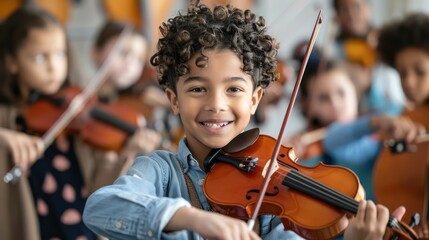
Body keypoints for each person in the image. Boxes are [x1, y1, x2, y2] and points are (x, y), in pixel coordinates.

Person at [83, 3, 410, 239]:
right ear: (173, 100)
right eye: (197, 88)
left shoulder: (270, 193)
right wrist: (195, 219)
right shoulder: (161, 171)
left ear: (254, 100)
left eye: (234, 89)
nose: (216, 104)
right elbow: (101, 206)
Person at [0, 6, 158, 240]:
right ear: (12, 62)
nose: (54, 66)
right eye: (40, 57)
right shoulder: (7, 117)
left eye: (60, 54)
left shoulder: (77, 116)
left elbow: (100, 188)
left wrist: (129, 153)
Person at [285, 59, 425, 201]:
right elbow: (335, 139)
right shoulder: (328, 143)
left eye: (341, 92)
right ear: (311, 107)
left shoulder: (383, 112)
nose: (335, 103)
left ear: (354, 91)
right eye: (323, 98)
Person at [331, 0, 406, 116]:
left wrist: (369, 85)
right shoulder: (334, 51)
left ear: (368, 8)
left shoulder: (385, 44)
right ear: (337, 15)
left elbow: (398, 100)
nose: (351, 15)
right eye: (344, 9)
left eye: (356, 7)